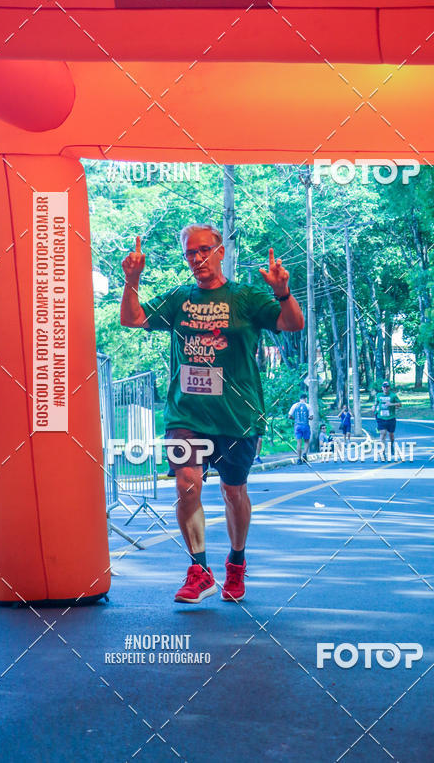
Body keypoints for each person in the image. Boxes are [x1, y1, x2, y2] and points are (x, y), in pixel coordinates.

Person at [120, 226, 304, 604]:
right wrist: (132, 280)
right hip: (187, 414)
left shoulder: (246, 297)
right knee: (187, 484)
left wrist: (282, 291)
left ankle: (235, 564)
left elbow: (292, 323)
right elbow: (132, 319)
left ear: (221, 251)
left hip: (237, 416)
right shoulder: (178, 299)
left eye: (205, 250)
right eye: (190, 253)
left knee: (233, 492)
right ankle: (198, 570)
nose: (198, 258)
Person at [374, 381, 402, 456]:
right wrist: (374, 406)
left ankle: (391, 445)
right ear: (382, 388)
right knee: (383, 434)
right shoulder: (378, 395)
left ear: (389, 388)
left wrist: (391, 404)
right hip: (381, 418)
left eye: (387, 387)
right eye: (384, 387)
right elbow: (376, 403)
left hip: (391, 418)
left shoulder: (393, 395)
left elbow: (400, 404)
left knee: (391, 435)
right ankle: (382, 451)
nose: (385, 388)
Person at [288, 394, 312, 464]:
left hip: (297, 425)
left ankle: (298, 459)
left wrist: (295, 419)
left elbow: (289, 416)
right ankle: (304, 454)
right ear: (306, 399)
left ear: (300, 399)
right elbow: (311, 417)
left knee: (299, 442)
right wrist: (307, 418)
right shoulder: (308, 406)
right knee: (306, 441)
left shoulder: (294, 405)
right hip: (305, 425)